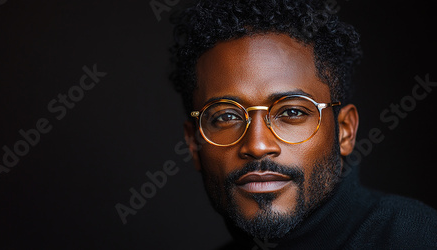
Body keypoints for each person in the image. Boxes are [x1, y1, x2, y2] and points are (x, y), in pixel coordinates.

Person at [169, 0, 437, 249]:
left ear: (345, 131)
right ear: (194, 143)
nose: (258, 145)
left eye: (292, 112)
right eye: (226, 117)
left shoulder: (418, 238)